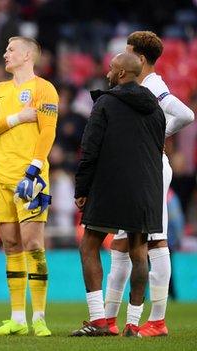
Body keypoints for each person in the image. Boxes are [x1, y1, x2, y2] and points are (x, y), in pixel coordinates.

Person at [104, 31, 195, 337]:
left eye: (128, 52)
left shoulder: (154, 85)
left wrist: (158, 134)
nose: (124, 56)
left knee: (155, 240)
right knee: (120, 242)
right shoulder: (138, 85)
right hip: (133, 170)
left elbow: (186, 114)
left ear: (140, 58)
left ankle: (157, 319)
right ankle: (108, 318)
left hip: (151, 170)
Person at [71, 52, 165, 337]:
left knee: (89, 245)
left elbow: (90, 149)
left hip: (110, 185)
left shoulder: (106, 103)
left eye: (112, 69)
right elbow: (158, 149)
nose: (108, 73)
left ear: (122, 74)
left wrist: (82, 189)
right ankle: (133, 324)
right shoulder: (156, 108)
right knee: (139, 252)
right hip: (146, 187)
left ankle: (99, 320)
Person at [0, 36, 57, 337]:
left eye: (11, 49)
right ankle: (17, 317)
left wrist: (35, 168)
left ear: (27, 55)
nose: (5, 53)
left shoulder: (44, 88)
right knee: (11, 246)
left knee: (33, 245)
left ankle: (39, 316)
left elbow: (48, 130)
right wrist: (18, 118)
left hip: (30, 178)